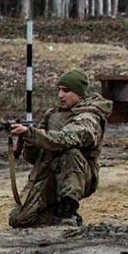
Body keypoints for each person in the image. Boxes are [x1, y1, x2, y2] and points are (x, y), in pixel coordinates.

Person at [8, 70, 113, 229]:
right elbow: (33, 157)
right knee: (19, 220)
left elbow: (65, 139)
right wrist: (28, 139)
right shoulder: (53, 115)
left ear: (79, 94)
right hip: (49, 172)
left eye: (66, 90)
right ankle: (56, 215)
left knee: (70, 153)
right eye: (59, 90)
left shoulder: (90, 117)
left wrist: (32, 133)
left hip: (80, 174)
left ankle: (67, 212)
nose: (60, 95)